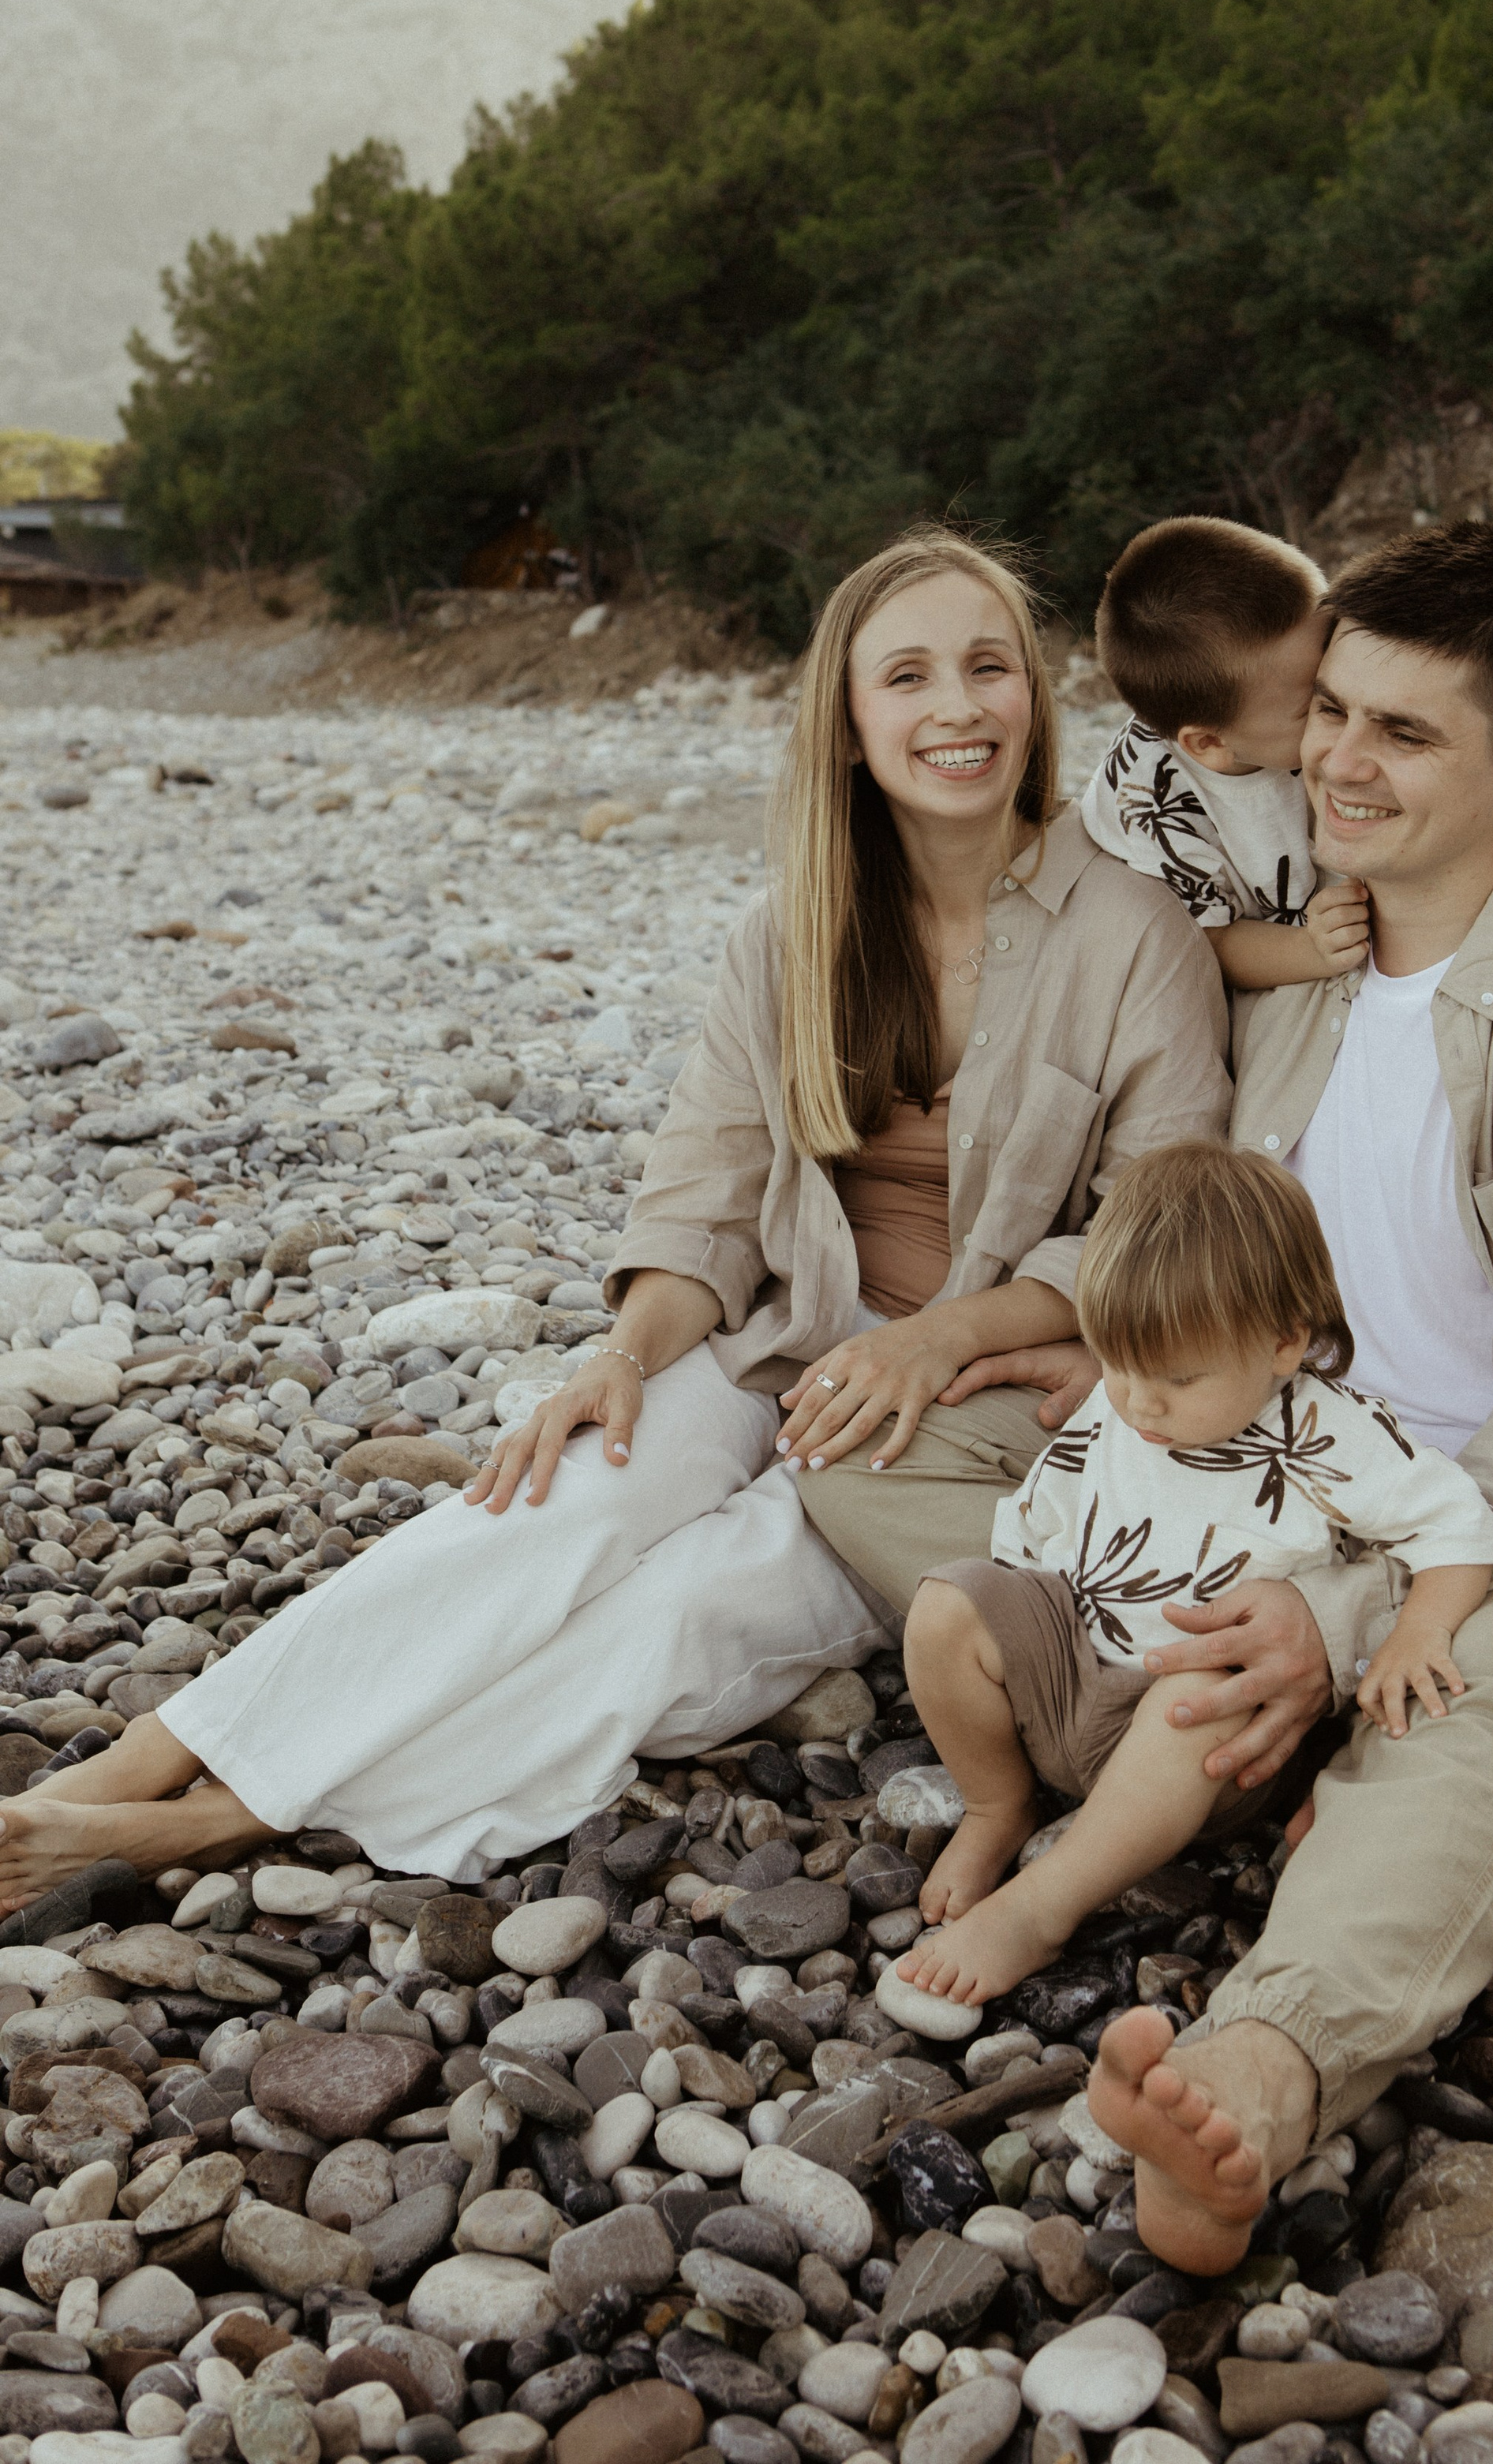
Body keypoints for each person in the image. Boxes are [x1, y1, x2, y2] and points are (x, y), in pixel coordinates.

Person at [799, 518, 1493, 2277]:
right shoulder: (1296, 974)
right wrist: (1111, 1356)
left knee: (1460, 1690)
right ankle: (1212, 1720)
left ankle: (1262, 2069)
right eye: (1333, 712)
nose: (1341, 763)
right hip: (1284, 1455)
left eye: (1405, 733)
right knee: (880, 1461)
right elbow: (1208, 1244)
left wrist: (1347, 1609)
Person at [0, 529, 1229, 1902]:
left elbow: (1154, 1233)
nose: (958, 707)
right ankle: (145, 1760)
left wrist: (936, 1342)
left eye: (989, 667)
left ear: (1033, 698)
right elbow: (706, 1197)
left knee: (683, 1610)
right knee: (543, 1510)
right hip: (782, 1340)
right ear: (847, 724)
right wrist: (623, 1356)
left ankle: (235, 1822)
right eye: (909, 677)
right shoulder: (789, 932)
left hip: (973, 1402)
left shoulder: (1138, 933)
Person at [892, 1141, 1493, 2007]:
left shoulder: (1327, 1433)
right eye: (1118, 1364)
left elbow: (1459, 1530)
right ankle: (999, 1806)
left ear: (1284, 1342)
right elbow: (1036, 1529)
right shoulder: (1122, 1403)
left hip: (1202, 1743)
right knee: (946, 1605)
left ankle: (1043, 1906)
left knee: (1197, 1698)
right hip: (1077, 1678)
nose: (1139, 1402)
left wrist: (1418, 1631)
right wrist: (1001, 1640)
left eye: (1178, 1379)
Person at [1080, 515, 1368, 989]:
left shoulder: (1265, 706)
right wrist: (1310, 950)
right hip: (1246, 939)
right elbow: (1212, 944)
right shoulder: (1153, 813)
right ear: (1211, 745)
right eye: (1319, 706)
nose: (1343, 701)